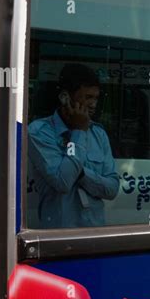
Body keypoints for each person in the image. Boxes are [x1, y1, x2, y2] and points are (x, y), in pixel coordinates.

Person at [28, 63, 119, 228]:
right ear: (65, 97)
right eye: (87, 97)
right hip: (60, 235)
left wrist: (81, 174)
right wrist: (79, 131)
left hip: (95, 232)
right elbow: (63, 182)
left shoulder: (98, 134)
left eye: (96, 98)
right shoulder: (39, 132)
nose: (93, 104)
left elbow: (112, 189)